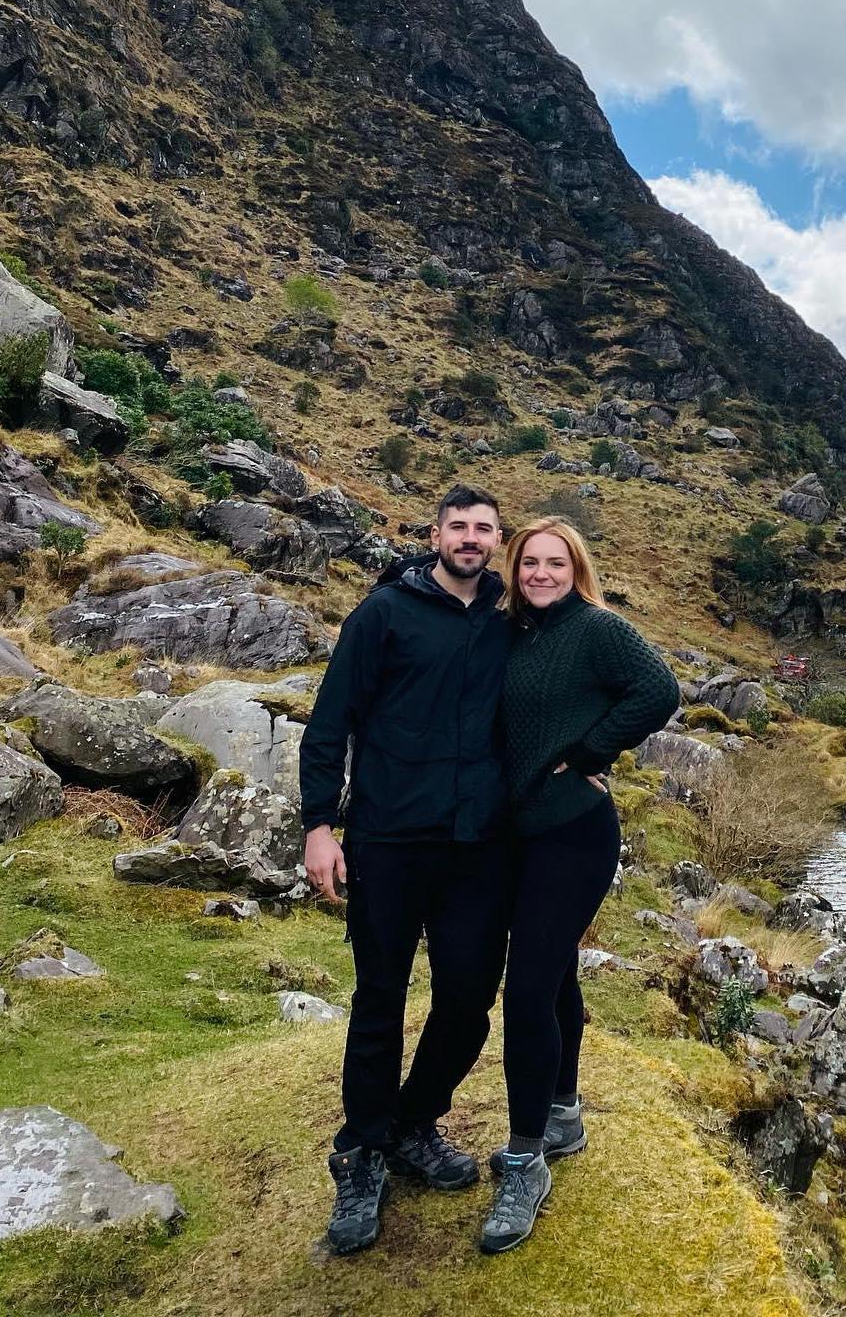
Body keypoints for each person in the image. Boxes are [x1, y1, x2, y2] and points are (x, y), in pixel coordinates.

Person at [298, 485, 513, 1257]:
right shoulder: (382, 613)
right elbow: (330, 724)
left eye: (484, 528)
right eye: (459, 526)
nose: (471, 538)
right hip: (387, 839)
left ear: (497, 539)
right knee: (380, 996)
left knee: (467, 997)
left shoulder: (508, 617)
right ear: (435, 535)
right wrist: (320, 826)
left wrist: (585, 766)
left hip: (476, 847)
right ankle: (359, 1154)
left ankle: (412, 1124)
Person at [479, 516, 680, 1254]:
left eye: (553, 564)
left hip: (574, 833)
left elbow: (660, 688)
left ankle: (526, 1158)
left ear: (576, 568)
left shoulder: (596, 628)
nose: (539, 574)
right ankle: (562, 1112)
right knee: (555, 973)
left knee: (526, 990)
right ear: (514, 567)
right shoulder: (513, 632)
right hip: (520, 834)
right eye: (528, 562)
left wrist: (593, 749)